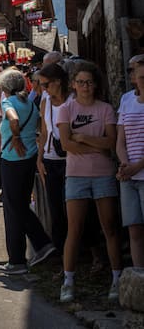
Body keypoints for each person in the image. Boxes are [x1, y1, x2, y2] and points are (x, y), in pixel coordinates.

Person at [57, 60, 121, 303]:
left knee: (110, 227)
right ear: (73, 84)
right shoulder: (66, 109)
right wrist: (97, 147)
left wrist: (82, 138)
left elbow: (111, 142)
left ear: (95, 85)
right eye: (81, 82)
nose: (85, 87)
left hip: (103, 174)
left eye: (89, 83)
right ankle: (68, 281)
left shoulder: (105, 109)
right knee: (74, 229)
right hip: (76, 175)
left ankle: (117, 279)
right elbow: (66, 144)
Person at [0, 67, 55, 276]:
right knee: (20, 206)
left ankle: (17, 260)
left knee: (12, 210)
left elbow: (13, 119)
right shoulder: (29, 103)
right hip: (29, 159)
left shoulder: (8, 102)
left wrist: (16, 136)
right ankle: (42, 244)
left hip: (12, 160)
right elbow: (39, 125)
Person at [36, 62, 70, 256]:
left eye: (46, 84)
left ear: (58, 82)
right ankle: (60, 252)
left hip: (71, 159)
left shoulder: (72, 101)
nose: (44, 89)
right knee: (55, 209)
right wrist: (39, 159)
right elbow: (44, 132)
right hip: (50, 159)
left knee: (71, 208)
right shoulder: (45, 102)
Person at [116, 57, 144, 267]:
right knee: (134, 228)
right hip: (129, 176)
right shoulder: (126, 101)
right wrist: (125, 164)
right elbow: (120, 140)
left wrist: (138, 166)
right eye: (140, 76)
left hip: (140, 171)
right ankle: (138, 273)